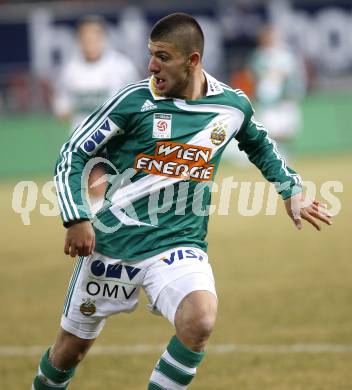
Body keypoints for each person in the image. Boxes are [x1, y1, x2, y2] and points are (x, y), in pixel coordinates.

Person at [32, 13, 332, 390]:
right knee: (69, 352)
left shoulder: (231, 106)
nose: (151, 65)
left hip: (179, 243)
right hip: (114, 244)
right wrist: (77, 217)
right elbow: (73, 152)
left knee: (200, 319)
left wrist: (291, 189)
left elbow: (258, 144)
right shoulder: (135, 101)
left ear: (192, 60)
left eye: (162, 56)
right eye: (150, 54)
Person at [52, 15, 140, 212]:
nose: (90, 42)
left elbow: (137, 99)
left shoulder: (121, 66)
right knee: (97, 187)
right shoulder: (70, 70)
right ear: (78, 40)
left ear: (103, 38)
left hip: (117, 138)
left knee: (122, 191)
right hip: (87, 141)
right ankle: (101, 229)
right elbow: (61, 106)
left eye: (95, 36)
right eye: (85, 37)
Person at [249, 24, 307, 156]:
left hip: (285, 98)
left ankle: (284, 153)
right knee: (270, 130)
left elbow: (294, 76)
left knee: (287, 130)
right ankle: (276, 155)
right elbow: (255, 76)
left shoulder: (286, 54)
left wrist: (296, 91)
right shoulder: (259, 56)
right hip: (267, 100)